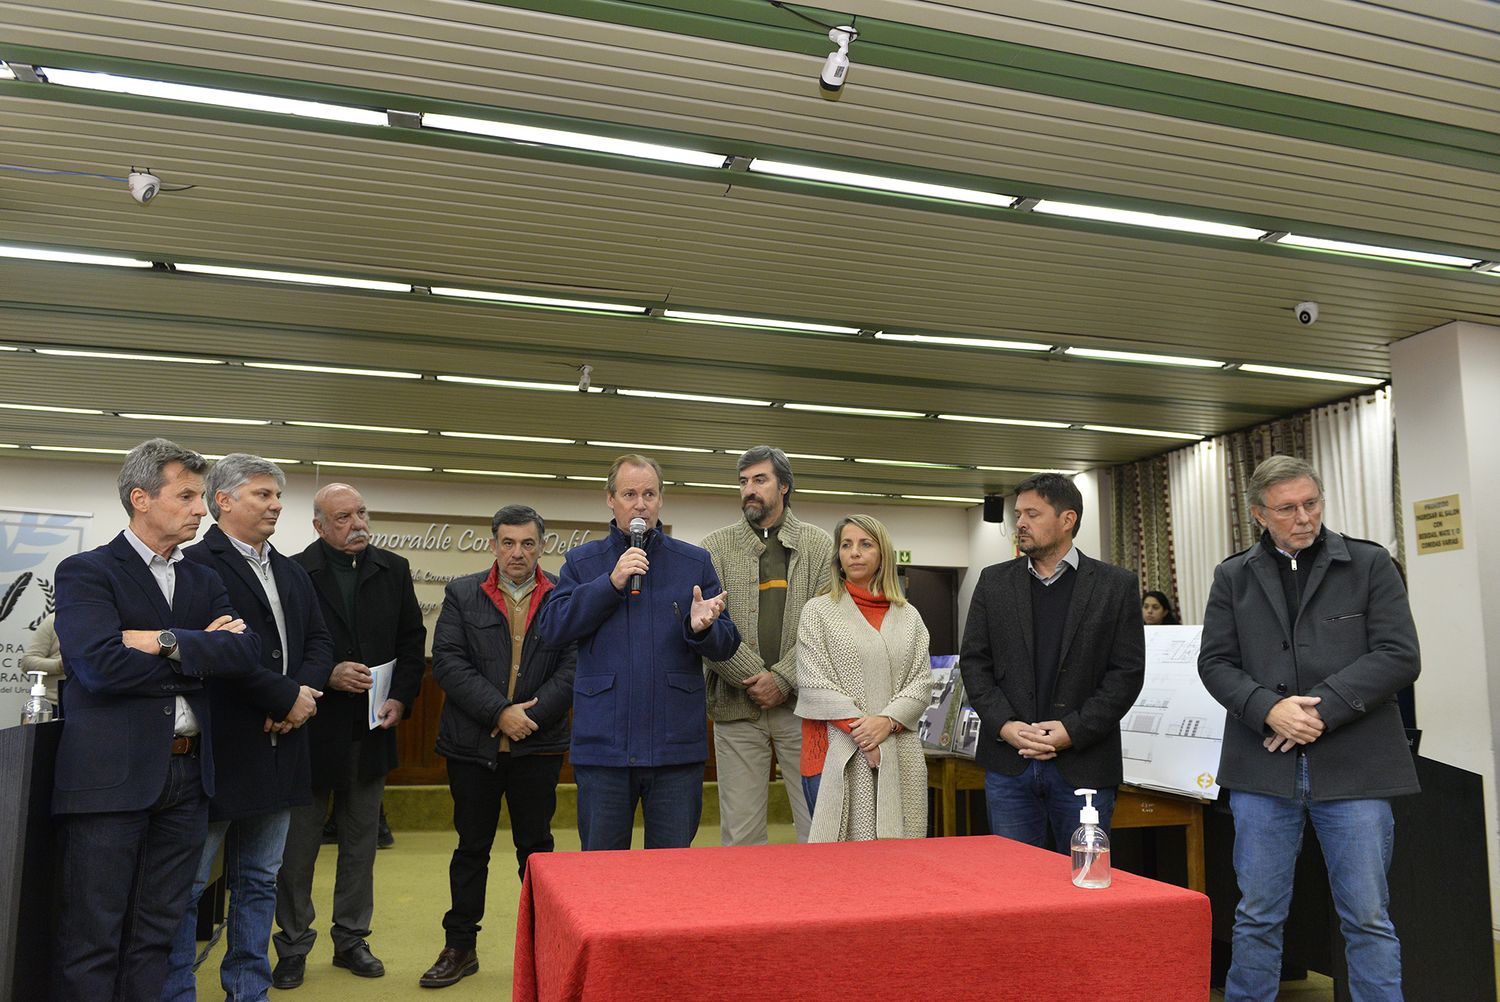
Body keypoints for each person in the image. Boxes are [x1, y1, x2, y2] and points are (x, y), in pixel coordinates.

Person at [1198, 455, 1419, 1002]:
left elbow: (1399, 655)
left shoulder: (1369, 565)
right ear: (1258, 514)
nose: (1304, 518)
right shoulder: (1233, 575)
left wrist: (1319, 712)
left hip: (1357, 769)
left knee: (1367, 917)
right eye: (1287, 508)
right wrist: (1267, 709)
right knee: (1256, 915)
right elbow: (1215, 663)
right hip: (1263, 772)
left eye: (1312, 503)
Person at [50, 438, 260, 1001]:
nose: (202, 509)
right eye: (187, 495)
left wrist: (162, 641)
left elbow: (244, 655)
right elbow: (96, 667)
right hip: (110, 781)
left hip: (189, 780)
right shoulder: (87, 572)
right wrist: (197, 658)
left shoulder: (202, 579)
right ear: (141, 498)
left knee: (158, 933)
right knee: (93, 935)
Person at [164, 454, 334, 1002]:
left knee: (261, 880)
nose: (277, 505)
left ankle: (247, 988)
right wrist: (285, 697)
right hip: (221, 749)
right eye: (263, 495)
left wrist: (300, 698)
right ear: (224, 501)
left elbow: (319, 644)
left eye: (278, 496)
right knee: (188, 886)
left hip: (283, 747)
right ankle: (174, 991)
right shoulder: (195, 566)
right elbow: (213, 651)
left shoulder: (290, 570)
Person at [538, 454, 738, 851]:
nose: (640, 504)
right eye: (630, 493)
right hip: (604, 749)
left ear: (661, 499)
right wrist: (609, 583)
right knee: (603, 875)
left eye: (649, 493)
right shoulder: (583, 562)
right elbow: (552, 627)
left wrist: (703, 628)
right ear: (610, 500)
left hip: (675, 749)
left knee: (670, 878)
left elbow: (728, 642)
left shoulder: (694, 561)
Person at [273, 483, 426, 987]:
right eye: (343, 517)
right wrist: (326, 675)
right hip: (310, 729)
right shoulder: (294, 571)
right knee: (298, 850)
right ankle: (293, 945)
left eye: (361, 512)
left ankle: (351, 940)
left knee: (361, 843)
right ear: (319, 526)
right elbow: (283, 648)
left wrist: (401, 698)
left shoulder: (394, 569)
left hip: (371, 727)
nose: (357, 523)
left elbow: (411, 638)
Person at [419, 505, 577, 989]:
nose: (517, 553)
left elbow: (574, 666)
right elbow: (447, 661)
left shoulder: (563, 595)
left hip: (538, 746)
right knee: (471, 849)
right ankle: (460, 947)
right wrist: (499, 712)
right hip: (473, 747)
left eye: (528, 543)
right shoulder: (463, 593)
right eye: (508, 543)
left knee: (536, 853)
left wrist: (529, 716)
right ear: (493, 544)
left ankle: (547, 949)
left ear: (542, 547)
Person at [959, 472, 1145, 852]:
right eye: (1018, 514)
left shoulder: (1115, 585)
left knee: (1084, 883)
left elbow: (1125, 674)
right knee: (1014, 887)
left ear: (1067, 520)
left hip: (1085, 763)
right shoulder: (993, 582)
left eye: (1032, 514)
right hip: (1010, 761)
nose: (1020, 524)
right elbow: (975, 663)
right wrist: (1006, 726)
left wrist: (1072, 731)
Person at [701, 446, 831, 845]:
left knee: (818, 826)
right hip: (736, 708)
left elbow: (827, 627)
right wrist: (751, 678)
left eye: (760, 480)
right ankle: (749, 907)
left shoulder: (819, 546)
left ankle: (820, 905)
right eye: (743, 482)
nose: (749, 490)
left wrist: (782, 679)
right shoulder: (714, 548)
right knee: (740, 835)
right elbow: (707, 626)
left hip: (804, 708)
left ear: (785, 486)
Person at [794, 514, 930, 842]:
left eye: (865, 544)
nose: (854, 552)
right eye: (846, 545)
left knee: (897, 868)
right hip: (832, 755)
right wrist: (865, 734)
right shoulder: (818, 611)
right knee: (840, 868)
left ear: (882, 554)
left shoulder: (908, 616)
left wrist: (887, 723)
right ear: (838, 557)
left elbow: (921, 681)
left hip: (898, 752)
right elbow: (813, 681)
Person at [20, 612, 64, 706]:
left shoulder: (102, 621)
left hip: (97, 705)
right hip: (54, 704)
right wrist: (59, 665)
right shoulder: (55, 620)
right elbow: (27, 662)